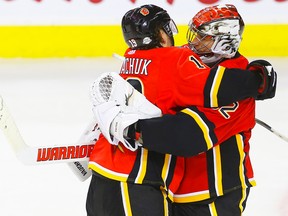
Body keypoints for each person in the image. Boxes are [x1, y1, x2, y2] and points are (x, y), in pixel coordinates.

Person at [86, 4, 276, 216]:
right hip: (170, 191)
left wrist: (130, 128)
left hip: (215, 194)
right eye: (194, 35)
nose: (193, 43)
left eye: (202, 37)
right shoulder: (181, 59)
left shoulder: (235, 85)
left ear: (224, 42)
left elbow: (189, 135)